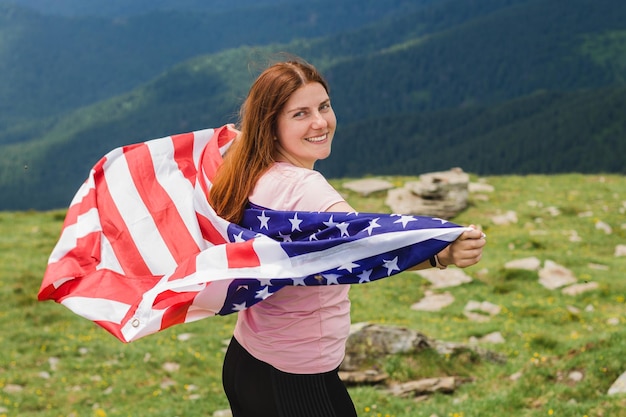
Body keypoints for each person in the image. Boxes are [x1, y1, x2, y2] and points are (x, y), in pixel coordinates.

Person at [208, 57, 486, 417]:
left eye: (323, 106)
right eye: (300, 114)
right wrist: (441, 251)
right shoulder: (310, 192)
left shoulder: (246, 171)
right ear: (270, 125)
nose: (320, 122)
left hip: (245, 361)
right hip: (298, 378)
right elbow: (368, 249)